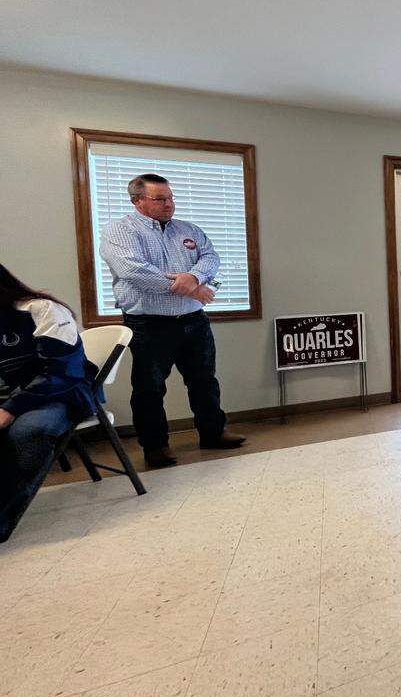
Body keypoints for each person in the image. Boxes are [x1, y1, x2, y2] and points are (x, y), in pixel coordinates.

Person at [99, 173, 244, 468]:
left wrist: (193, 277)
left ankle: (213, 433)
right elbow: (133, 270)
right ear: (137, 201)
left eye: (171, 197)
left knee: (204, 381)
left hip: (193, 320)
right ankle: (155, 447)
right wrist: (187, 286)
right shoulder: (120, 230)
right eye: (160, 199)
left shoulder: (188, 230)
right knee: (149, 388)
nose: (169, 204)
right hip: (148, 324)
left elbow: (210, 258)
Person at [1, 265, 98, 538]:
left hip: (58, 394)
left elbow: (62, 373)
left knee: (28, 430)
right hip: (12, 398)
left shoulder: (40, 310)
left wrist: (10, 409)